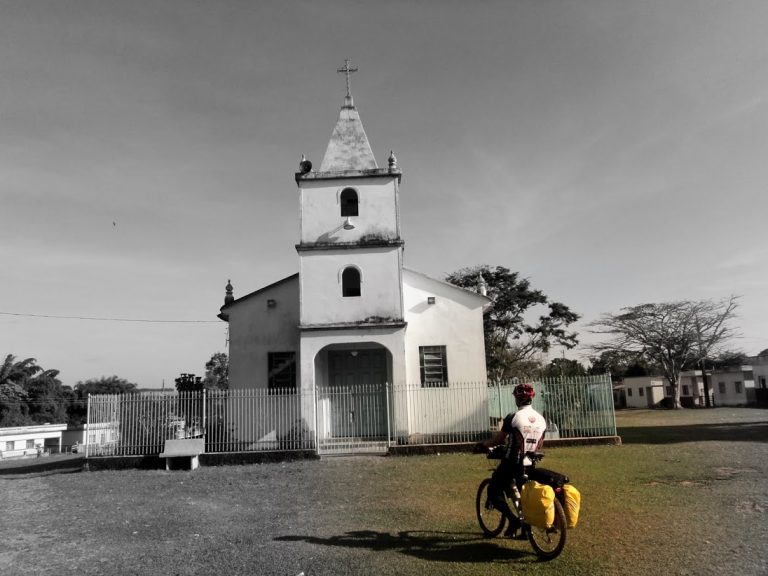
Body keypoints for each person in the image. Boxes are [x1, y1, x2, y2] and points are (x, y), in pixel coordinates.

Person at [475, 382, 547, 538]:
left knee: (493, 490)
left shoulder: (513, 417)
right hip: (530, 463)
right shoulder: (541, 419)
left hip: (512, 462)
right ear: (531, 399)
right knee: (524, 495)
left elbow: (499, 440)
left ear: (518, 399)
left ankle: (513, 521)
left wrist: (484, 445)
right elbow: (540, 443)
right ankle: (526, 530)